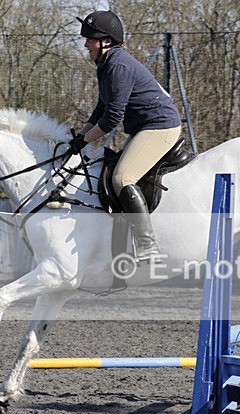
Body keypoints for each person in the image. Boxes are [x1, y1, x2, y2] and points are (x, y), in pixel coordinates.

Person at [72, 10, 183, 263]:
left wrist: (87, 140)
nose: (85, 44)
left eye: (90, 39)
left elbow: (112, 118)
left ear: (106, 42)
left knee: (123, 178)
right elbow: (101, 107)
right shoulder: (107, 64)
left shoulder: (118, 65)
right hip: (145, 127)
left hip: (160, 126)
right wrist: (80, 136)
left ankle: (148, 246)